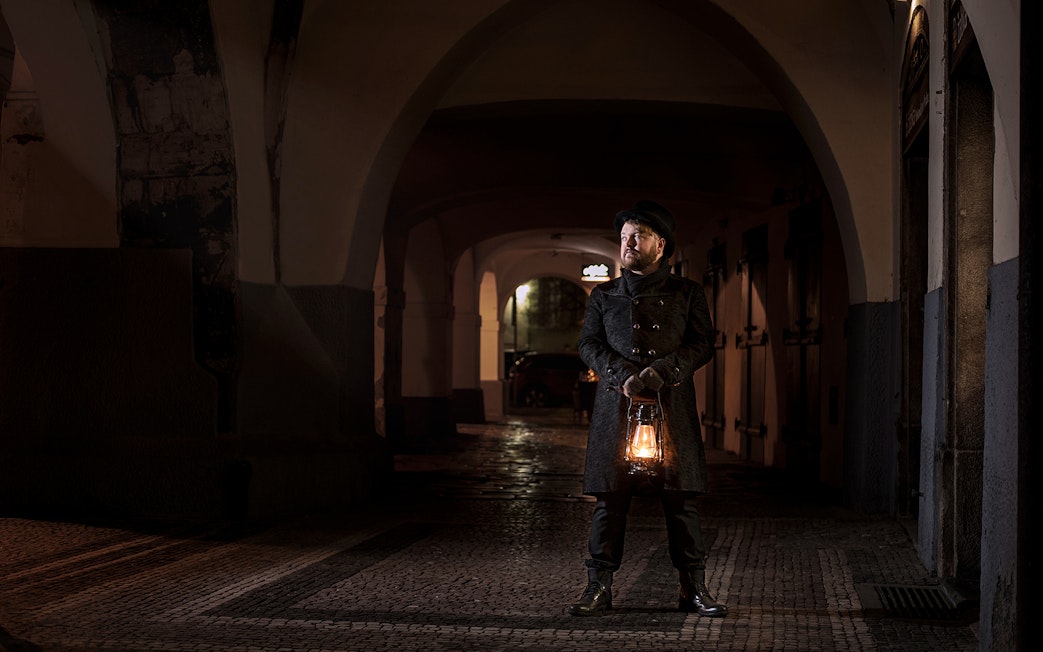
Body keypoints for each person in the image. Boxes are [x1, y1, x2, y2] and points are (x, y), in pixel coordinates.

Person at [568, 199, 727, 618]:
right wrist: (621, 374)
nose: (628, 244)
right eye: (624, 237)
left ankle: (693, 588)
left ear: (661, 245)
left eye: (638, 236)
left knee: (681, 501)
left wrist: (663, 371)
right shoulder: (604, 295)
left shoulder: (687, 293)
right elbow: (588, 344)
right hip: (615, 411)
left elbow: (703, 342)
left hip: (671, 408)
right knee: (610, 500)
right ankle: (598, 587)